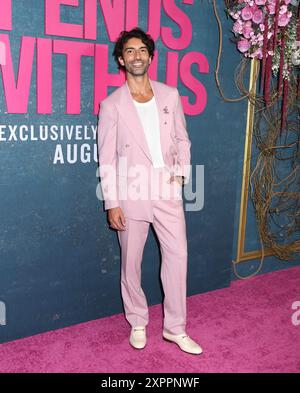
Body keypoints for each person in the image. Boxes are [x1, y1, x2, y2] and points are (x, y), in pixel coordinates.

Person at [97, 27, 202, 355]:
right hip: (132, 192)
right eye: (130, 51)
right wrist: (112, 202)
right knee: (131, 261)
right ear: (121, 59)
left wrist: (181, 174)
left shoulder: (170, 94)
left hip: (166, 188)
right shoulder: (111, 104)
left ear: (150, 56)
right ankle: (138, 320)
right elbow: (107, 157)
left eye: (142, 50)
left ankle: (175, 327)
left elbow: (183, 139)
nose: (136, 56)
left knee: (178, 256)